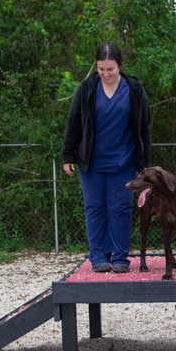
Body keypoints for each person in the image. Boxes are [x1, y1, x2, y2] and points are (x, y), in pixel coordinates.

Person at [62, 43, 151, 273]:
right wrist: (68, 155)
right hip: (91, 163)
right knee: (95, 208)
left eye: (110, 69)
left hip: (124, 161)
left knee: (120, 208)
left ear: (119, 66)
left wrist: (143, 163)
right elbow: (74, 122)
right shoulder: (87, 88)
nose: (106, 74)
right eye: (102, 69)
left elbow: (143, 126)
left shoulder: (134, 88)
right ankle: (99, 256)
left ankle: (120, 256)